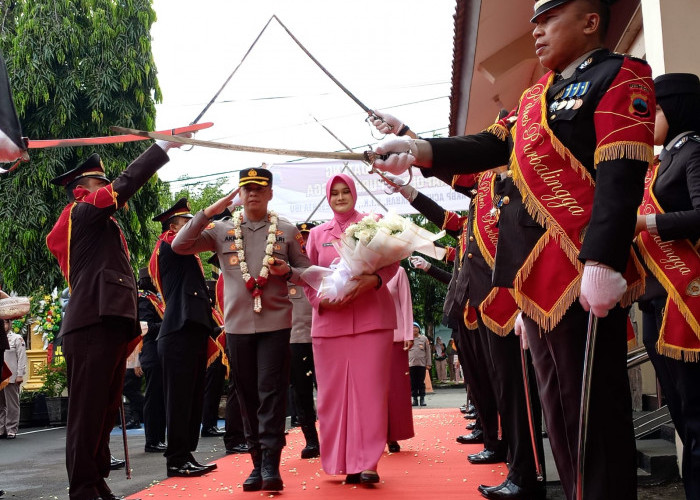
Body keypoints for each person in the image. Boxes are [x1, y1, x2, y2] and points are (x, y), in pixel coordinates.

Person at [374, 1, 655, 498]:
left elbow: (620, 175)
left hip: (578, 266)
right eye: (535, 22)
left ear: (590, 22)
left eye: (549, 20)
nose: (537, 31)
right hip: (533, 276)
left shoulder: (621, 76)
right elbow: (486, 145)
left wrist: (603, 257)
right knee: (560, 411)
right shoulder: (531, 100)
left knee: (593, 414)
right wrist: (419, 150)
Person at [46, 138, 184, 500]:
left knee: (105, 413)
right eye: (100, 183)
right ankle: (82, 488)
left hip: (105, 321)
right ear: (84, 189)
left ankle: (96, 480)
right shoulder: (81, 212)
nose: (107, 187)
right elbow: (124, 185)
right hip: (91, 323)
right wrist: (160, 148)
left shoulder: (96, 223)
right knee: (87, 414)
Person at [172, 167, 311, 492]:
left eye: (258, 189)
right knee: (246, 395)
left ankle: (270, 464)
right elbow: (180, 245)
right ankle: (255, 461)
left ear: (269, 194)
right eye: (246, 188)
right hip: (237, 327)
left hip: (276, 325)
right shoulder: (221, 230)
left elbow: (305, 272)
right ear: (239, 193)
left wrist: (287, 270)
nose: (252, 194)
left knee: (271, 394)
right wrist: (207, 211)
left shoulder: (288, 232)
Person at [303, 174, 399, 485]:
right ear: (328, 197)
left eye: (346, 192)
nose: (341, 197)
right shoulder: (317, 234)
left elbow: (393, 262)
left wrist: (375, 280)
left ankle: (368, 462)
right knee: (332, 397)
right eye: (335, 192)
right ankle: (339, 460)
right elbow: (308, 277)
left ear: (354, 194)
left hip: (372, 320)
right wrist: (322, 303)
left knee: (370, 394)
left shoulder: (375, 224)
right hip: (330, 324)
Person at [635, 73, 700, 500]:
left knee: (695, 416)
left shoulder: (694, 150)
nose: (646, 119)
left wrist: (647, 223)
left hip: (687, 302)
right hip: (658, 299)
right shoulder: (664, 159)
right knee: (680, 413)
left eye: (653, 109)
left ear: (675, 109)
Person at [150, 197, 218, 478]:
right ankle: (176, 459)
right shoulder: (169, 245)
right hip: (178, 330)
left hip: (193, 327)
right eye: (186, 223)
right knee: (179, 400)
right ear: (172, 227)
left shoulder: (188, 252)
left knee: (192, 399)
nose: (193, 229)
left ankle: (186, 454)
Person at [288, 222, 320, 459]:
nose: (305, 246)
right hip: (295, 341)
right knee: (302, 394)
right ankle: (311, 441)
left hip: (323, 338)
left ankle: (333, 437)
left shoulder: (323, 272)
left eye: (308, 241)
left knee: (329, 392)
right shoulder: (286, 273)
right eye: (302, 242)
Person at [385, 265, 415, 453]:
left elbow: (405, 302)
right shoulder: (363, 268)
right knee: (370, 391)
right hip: (369, 336)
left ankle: (393, 435)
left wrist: (408, 334)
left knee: (395, 390)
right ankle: (372, 435)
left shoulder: (398, 271)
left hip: (395, 338)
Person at [137, 269, 167, 454]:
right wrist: (168, 324)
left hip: (160, 353)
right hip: (151, 352)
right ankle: (152, 440)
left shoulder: (155, 299)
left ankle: (159, 438)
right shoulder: (143, 299)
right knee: (153, 399)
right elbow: (144, 326)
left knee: (160, 399)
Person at [0, 318, 26, 439]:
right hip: (1, 377)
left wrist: (20, 374)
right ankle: (1, 429)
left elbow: (21, 358)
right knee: (1, 405)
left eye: (5, 322)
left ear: (9, 324)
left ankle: (11, 428)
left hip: (11, 376)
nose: (3, 325)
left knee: (12, 404)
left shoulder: (16, 338)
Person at [408, 322, 431, 407]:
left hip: (421, 364)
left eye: (416, 327)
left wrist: (428, 363)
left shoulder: (424, 339)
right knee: (413, 382)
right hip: (411, 364)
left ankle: (422, 398)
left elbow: (428, 352)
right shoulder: (408, 339)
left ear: (419, 329)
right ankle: (414, 399)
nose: (414, 329)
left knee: (421, 382)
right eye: (413, 327)